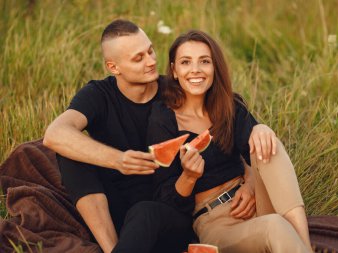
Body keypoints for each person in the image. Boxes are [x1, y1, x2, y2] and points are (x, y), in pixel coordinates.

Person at [43, 20, 278, 253]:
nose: (152, 61)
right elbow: (55, 134)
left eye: (150, 50)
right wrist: (118, 160)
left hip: (171, 208)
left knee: (145, 212)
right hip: (116, 204)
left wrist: (250, 180)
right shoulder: (98, 94)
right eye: (139, 58)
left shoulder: (176, 91)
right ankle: (111, 247)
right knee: (68, 152)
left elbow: (230, 130)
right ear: (114, 67)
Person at [147, 30, 313, 253]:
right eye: (186, 62)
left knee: (267, 141)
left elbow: (255, 152)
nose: (195, 69)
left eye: (204, 61)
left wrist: (252, 182)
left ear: (214, 67)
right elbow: (164, 198)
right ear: (174, 70)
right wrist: (188, 176)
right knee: (275, 226)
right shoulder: (162, 119)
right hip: (216, 222)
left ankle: (304, 243)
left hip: (255, 201)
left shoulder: (229, 106)